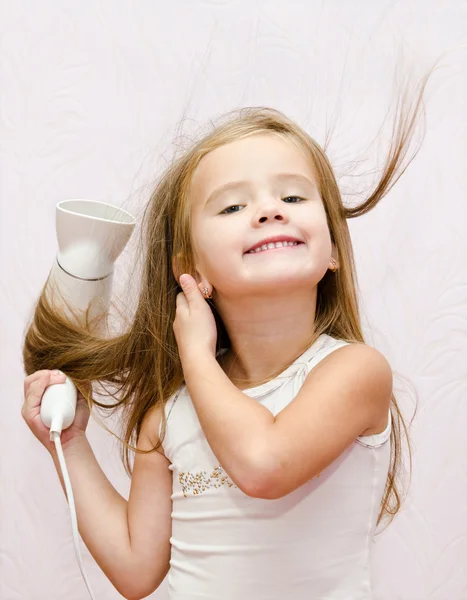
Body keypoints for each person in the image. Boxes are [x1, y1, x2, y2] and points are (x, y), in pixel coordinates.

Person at [21, 83, 431, 599]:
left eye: (293, 196)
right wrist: (73, 445)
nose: (268, 210)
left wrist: (195, 356)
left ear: (333, 251)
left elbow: (265, 464)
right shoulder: (171, 414)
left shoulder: (355, 372)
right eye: (233, 207)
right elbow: (134, 569)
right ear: (191, 268)